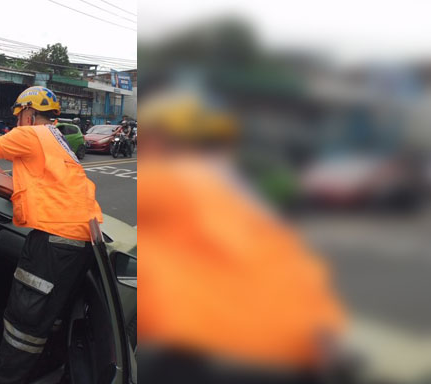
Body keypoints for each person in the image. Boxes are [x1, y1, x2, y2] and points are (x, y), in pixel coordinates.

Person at [136, 92, 349, 384]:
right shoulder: (241, 195)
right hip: (295, 350)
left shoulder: (170, 178)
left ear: (161, 141)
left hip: (217, 352)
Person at [0, 86, 103, 384]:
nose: (19, 121)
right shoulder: (57, 140)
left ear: (30, 114)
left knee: (23, 329)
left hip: (55, 242)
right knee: (48, 320)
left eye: (20, 115)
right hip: (80, 240)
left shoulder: (31, 135)